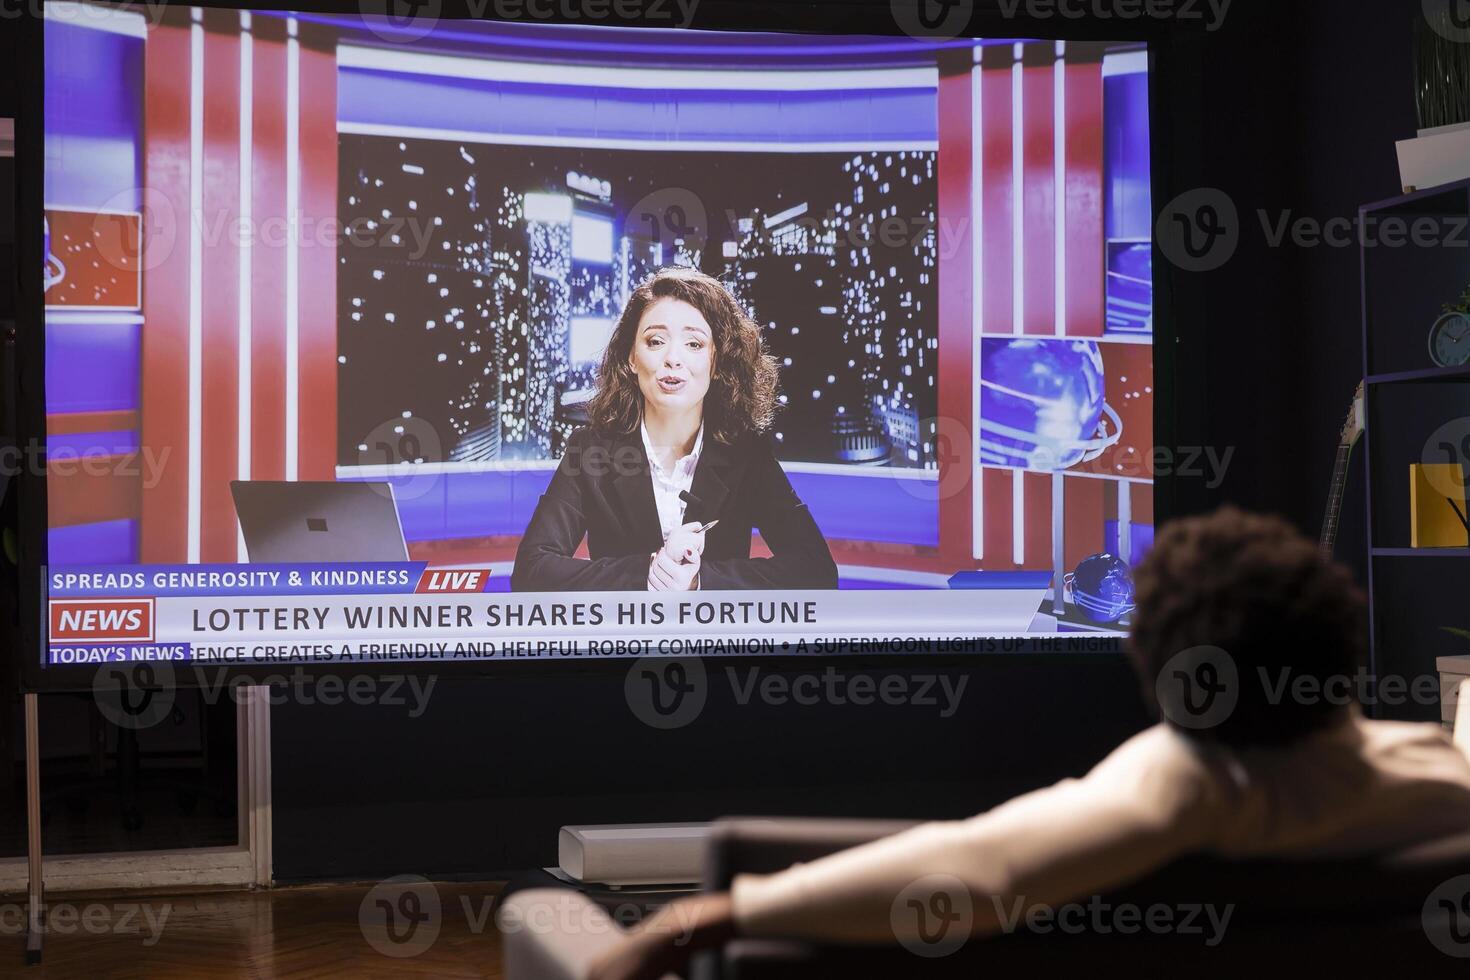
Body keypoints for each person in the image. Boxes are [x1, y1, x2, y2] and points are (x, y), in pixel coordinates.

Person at [584, 507, 1470, 979]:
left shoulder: (1182, 790)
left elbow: (974, 872)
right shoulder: (1442, 783)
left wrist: (699, 918)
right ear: (1336, 640)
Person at [511, 267, 838, 592]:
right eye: (655, 341)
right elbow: (531, 570)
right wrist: (649, 572)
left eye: (694, 344)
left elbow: (816, 568)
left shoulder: (746, 453)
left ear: (716, 361)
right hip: (625, 640)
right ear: (631, 358)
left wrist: (700, 581)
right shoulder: (589, 450)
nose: (673, 359)